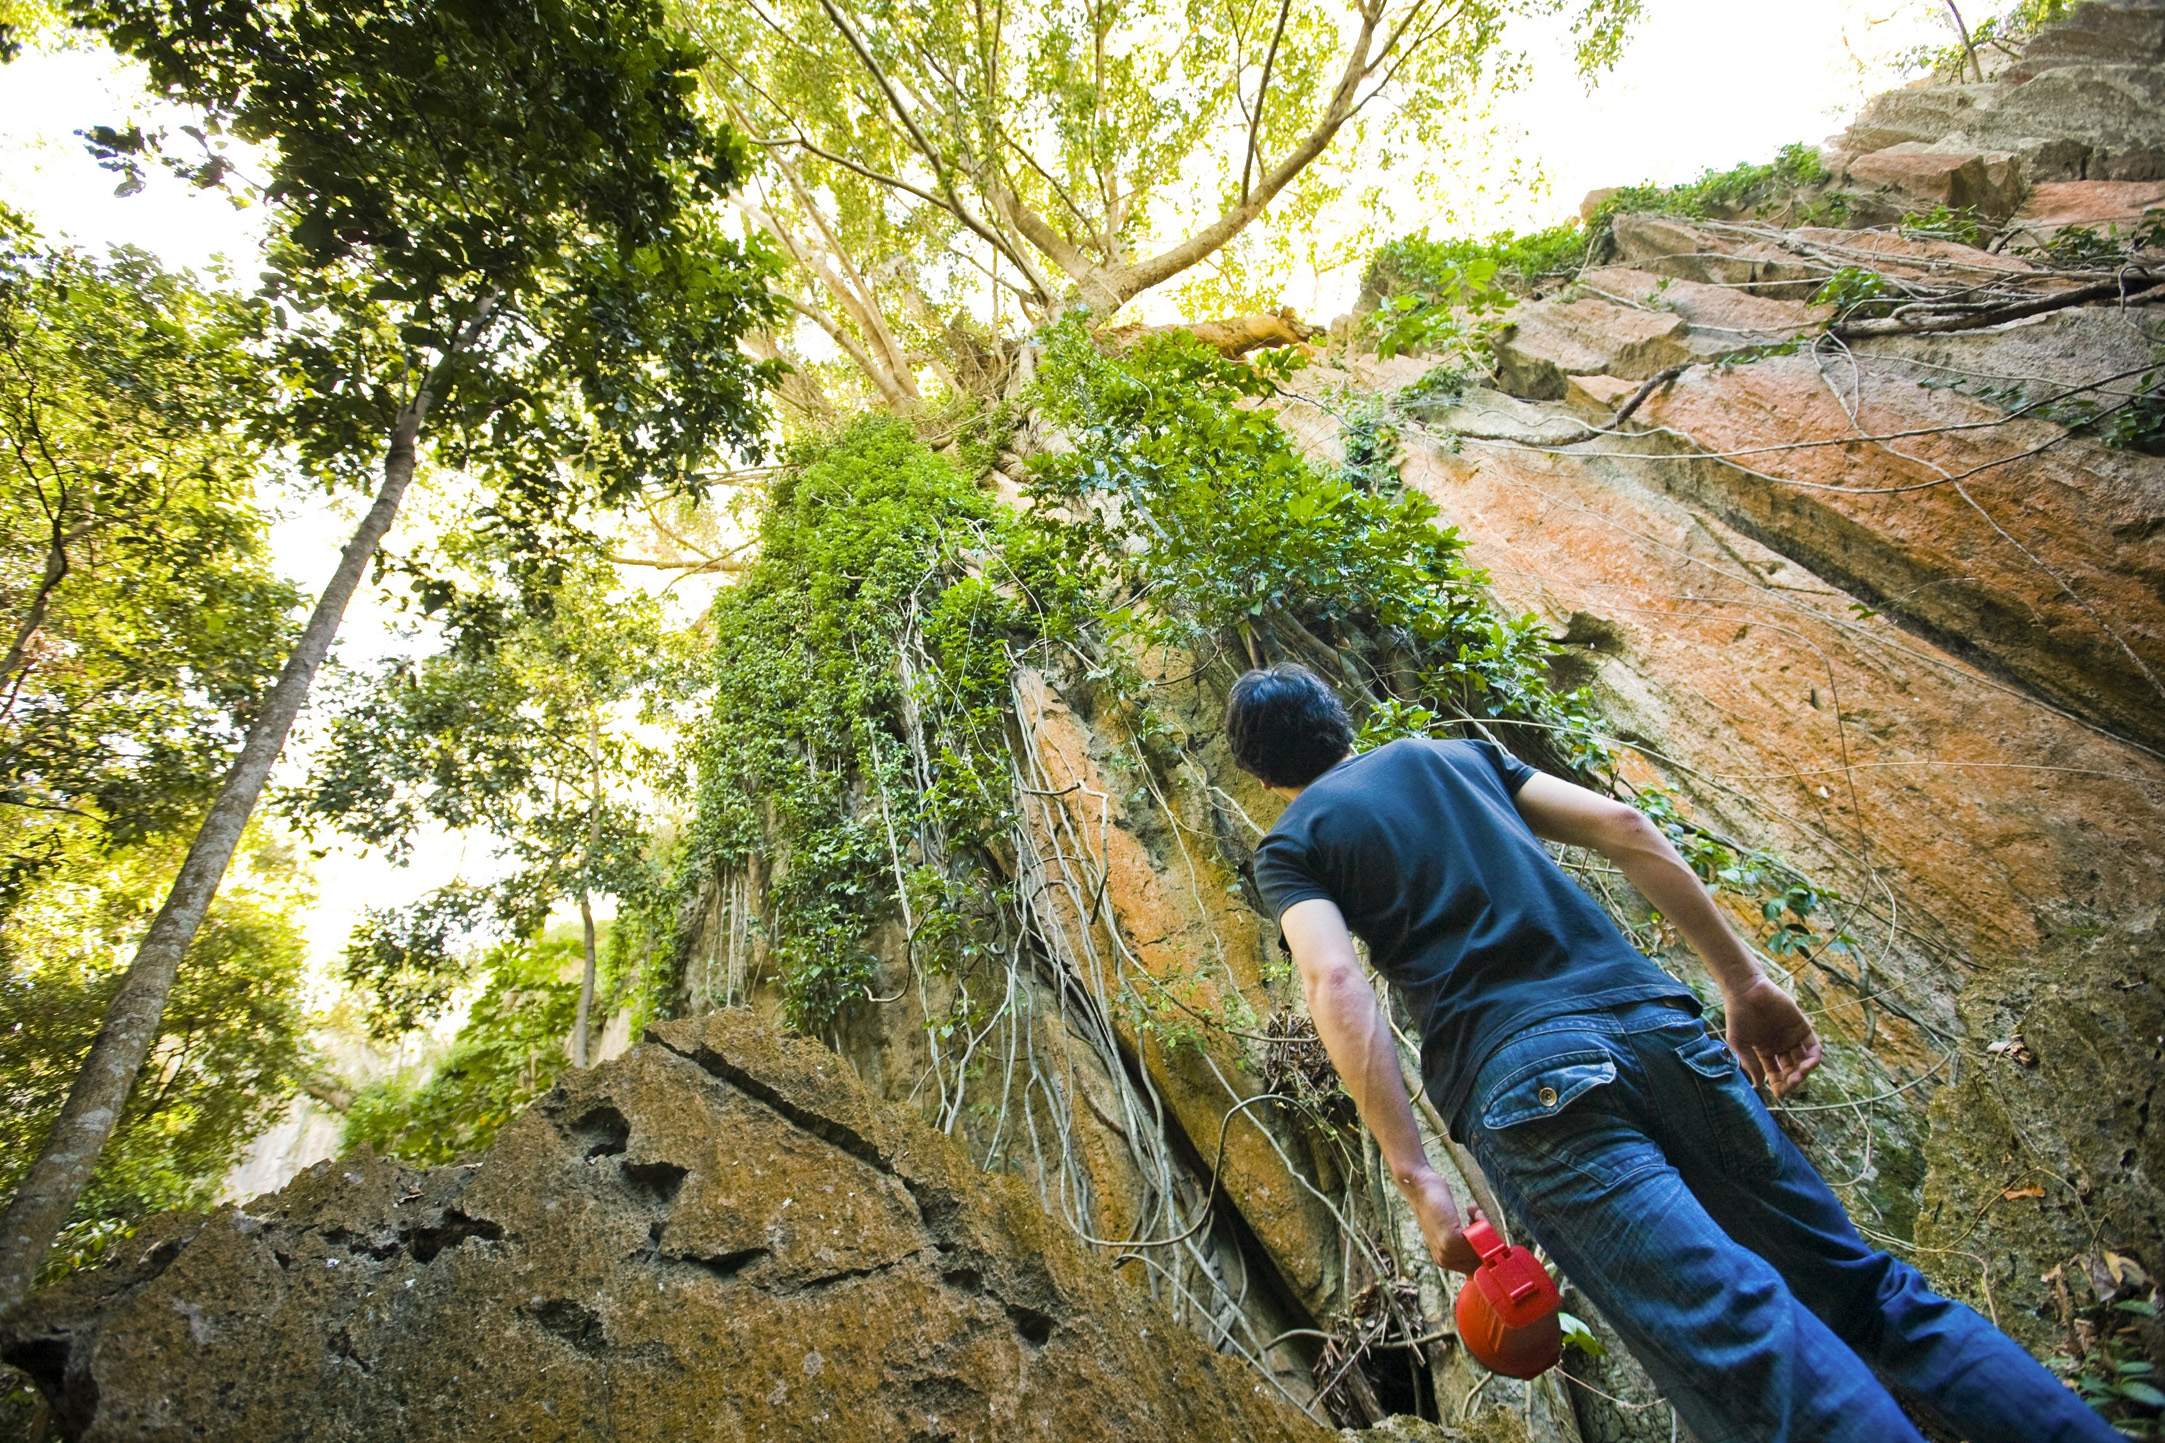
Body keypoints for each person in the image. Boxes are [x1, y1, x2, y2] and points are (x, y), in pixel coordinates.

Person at [1230, 662, 2117, 1443]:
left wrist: (1417, 1174)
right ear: (1337, 719)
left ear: (1263, 771)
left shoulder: (1294, 844)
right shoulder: (1459, 757)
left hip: (1531, 1088)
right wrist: (1745, 982)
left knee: (1744, 1340)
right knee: (1875, 1298)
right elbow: (1623, 823)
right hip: (1665, 1034)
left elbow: (1336, 980)